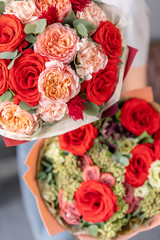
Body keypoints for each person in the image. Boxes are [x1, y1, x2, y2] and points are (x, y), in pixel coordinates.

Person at [17, 1, 150, 240]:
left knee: (67, 228)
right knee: (41, 222)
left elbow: (133, 96)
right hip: (30, 126)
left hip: (90, 145)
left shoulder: (128, 6)